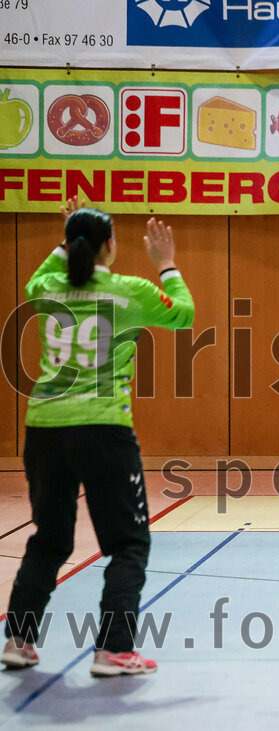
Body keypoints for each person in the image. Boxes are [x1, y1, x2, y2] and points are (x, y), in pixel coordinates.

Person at [1, 198, 194, 675]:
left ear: (69, 247)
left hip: (45, 428)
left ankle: (18, 641)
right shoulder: (128, 292)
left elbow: (38, 276)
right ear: (111, 247)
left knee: (50, 539)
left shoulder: (46, 288)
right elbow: (184, 314)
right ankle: (114, 650)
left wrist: (66, 237)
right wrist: (166, 263)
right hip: (103, 429)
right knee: (128, 543)